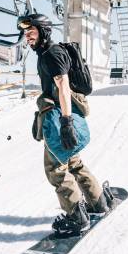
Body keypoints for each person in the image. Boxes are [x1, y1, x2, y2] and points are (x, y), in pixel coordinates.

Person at [18, 13, 114, 236]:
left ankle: (75, 217)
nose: (27, 36)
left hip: (59, 117)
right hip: (59, 114)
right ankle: (97, 202)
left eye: (31, 31)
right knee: (74, 162)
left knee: (56, 169)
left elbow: (63, 86)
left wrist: (66, 123)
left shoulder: (52, 53)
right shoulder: (48, 52)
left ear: (43, 31)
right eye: (25, 32)